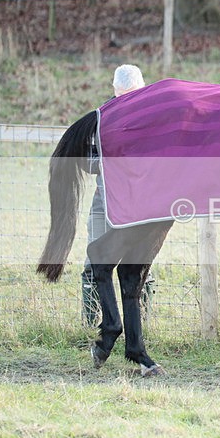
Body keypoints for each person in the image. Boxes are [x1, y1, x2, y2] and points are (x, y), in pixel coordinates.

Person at [81, 64, 154, 326]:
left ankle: (142, 325)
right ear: (114, 90)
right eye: (124, 95)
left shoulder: (153, 120)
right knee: (94, 264)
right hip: (106, 203)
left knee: (142, 265)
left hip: (141, 207)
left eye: (134, 95)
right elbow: (87, 161)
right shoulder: (100, 118)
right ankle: (90, 325)